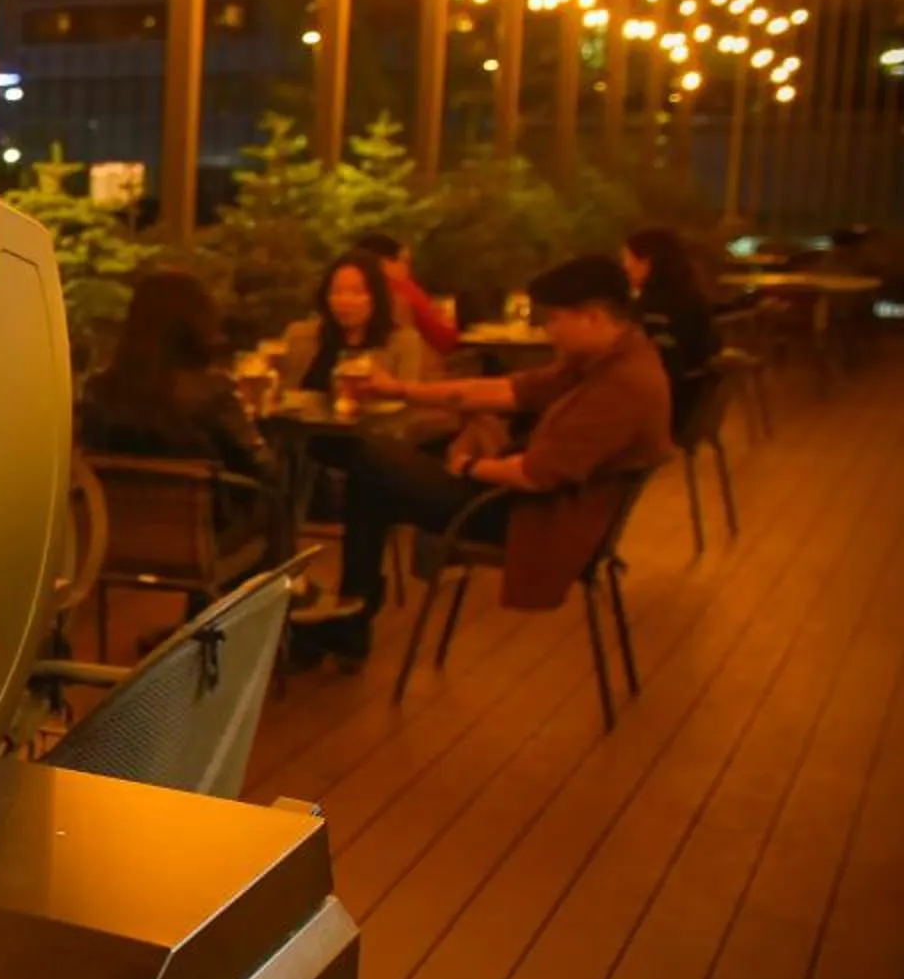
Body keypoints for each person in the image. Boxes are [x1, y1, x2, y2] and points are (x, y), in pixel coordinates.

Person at [291, 254, 674, 661]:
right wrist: (399, 390)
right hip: (527, 502)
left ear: (592, 317)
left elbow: (533, 475)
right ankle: (348, 620)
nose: (548, 331)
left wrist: (471, 466)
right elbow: (505, 390)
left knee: (367, 458)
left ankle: (338, 613)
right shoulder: (606, 361)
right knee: (371, 477)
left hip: (531, 519)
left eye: (554, 319)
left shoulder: (622, 386)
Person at [80, 269, 279, 538]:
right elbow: (261, 465)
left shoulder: (99, 391)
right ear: (198, 322)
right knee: (277, 492)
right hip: (201, 538)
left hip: (114, 536)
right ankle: (282, 578)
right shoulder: (211, 391)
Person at [275, 249, 437, 397]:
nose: (345, 301)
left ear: (376, 297)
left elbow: (408, 402)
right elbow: (280, 393)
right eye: (337, 292)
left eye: (357, 292)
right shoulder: (300, 335)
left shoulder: (403, 342)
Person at [622, 226, 719, 431]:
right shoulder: (690, 297)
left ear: (647, 262)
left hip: (663, 413)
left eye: (627, 259)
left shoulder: (656, 306)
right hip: (690, 405)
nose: (624, 267)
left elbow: (658, 366)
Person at [352, 230, 462, 356]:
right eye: (404, 262)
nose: (408, 270)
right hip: (416, 368)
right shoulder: (403, 290)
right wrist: (446, 317)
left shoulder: (350, 294)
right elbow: (445, 338)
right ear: (384, 262)